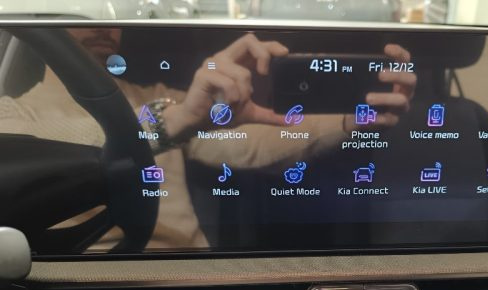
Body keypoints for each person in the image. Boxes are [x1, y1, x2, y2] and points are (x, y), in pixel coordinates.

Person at [0, 28, 415, 252]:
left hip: (191, 268)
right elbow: (66, 149)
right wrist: (175, 121)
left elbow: (248, 145)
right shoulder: (12, 111)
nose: (103, 22)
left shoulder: (156, 96)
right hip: (88, 280)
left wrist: (353, 120)